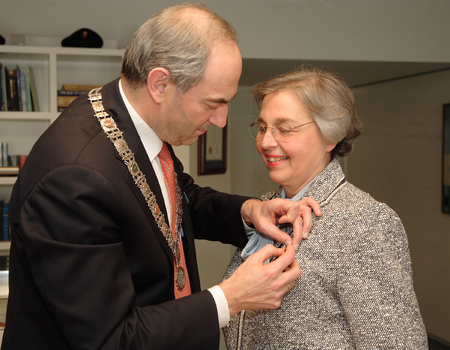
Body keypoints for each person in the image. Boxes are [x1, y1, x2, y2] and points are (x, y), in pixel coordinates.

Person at [1, 4, 321, 350]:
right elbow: (111, 340)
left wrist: (249, 211)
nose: (221, 121)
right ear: (159, 84)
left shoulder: (130, 118)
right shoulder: (74, 178)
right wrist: (231, 297)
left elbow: (176, 197)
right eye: (213, 102)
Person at [222, 67, 428, 349]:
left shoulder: (363, 222)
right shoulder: (265, 208)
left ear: (331, 135)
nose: (266, 142)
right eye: (262, 128)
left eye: (284, 129)